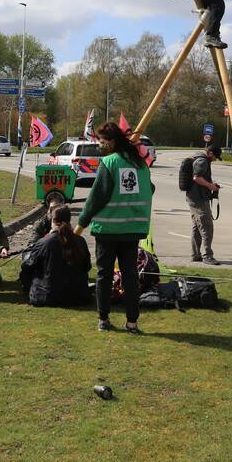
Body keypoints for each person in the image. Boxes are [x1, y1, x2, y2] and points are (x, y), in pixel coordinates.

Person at [75, 121, 153, 334]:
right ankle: (132, 323)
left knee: (104, 275)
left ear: (111, 142)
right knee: (130, 276)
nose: (99, 145)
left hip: (108, 230)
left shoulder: (109, 163)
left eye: (101, 141)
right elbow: (150, 188)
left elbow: (96, 197)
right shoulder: (140, 164)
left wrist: (82, 222)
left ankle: (103, 318)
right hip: (132, 229)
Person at [19, 206, 92, 307]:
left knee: (27, 258)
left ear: (52, 220)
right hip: (78, 295)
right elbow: (87, 266)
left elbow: (28, 266)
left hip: (47, 296)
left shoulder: (43, 242)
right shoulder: (80, 241)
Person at [188, 144, 222, 265]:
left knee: (197, 227)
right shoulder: (202, 161)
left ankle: (195, 255)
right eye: (216, 157)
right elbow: (196, 178)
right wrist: (210, 186)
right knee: (207, 226)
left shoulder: (200, 159)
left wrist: (211, 185)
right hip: (198, 199)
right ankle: (207, 256)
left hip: (196, 197)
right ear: (211, 153)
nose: (215, 159)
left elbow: (199, 178)